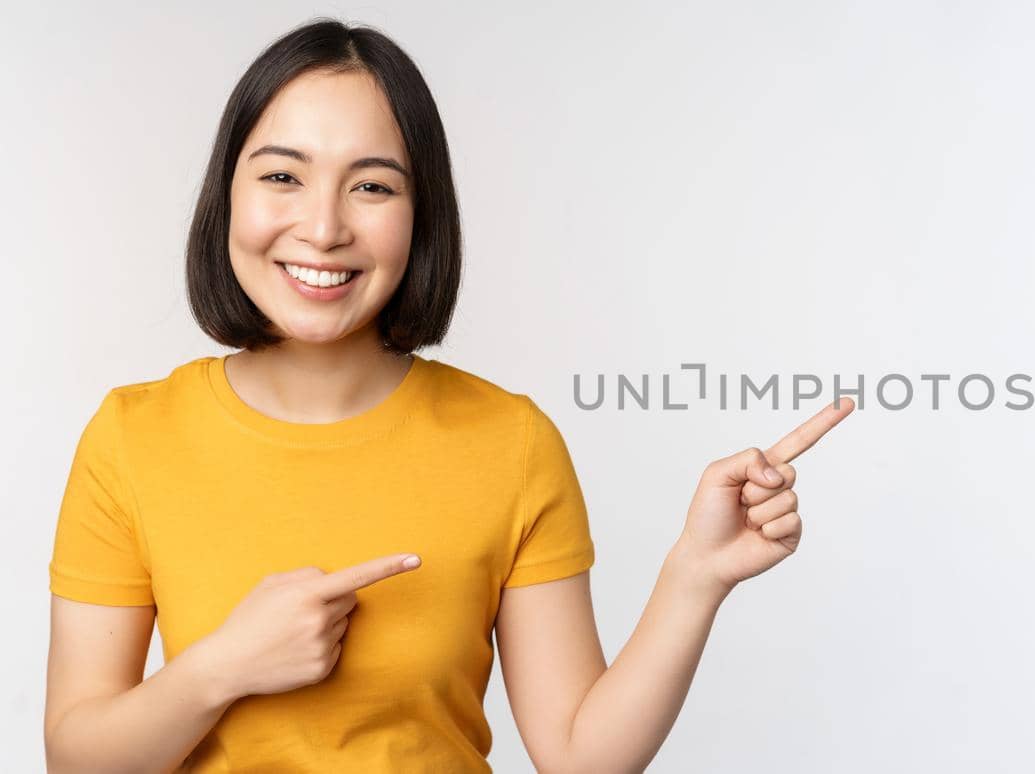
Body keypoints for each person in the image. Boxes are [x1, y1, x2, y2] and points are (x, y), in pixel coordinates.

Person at [42, 18, 853, 773]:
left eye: (373, 187)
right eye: (283, 175)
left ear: (421, 215)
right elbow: (76, 758)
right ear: (228, 195)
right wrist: (219, 669)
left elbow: (580, 756)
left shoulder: (510, 442)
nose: (322, 227)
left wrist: (696, 575)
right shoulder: (131, 437)